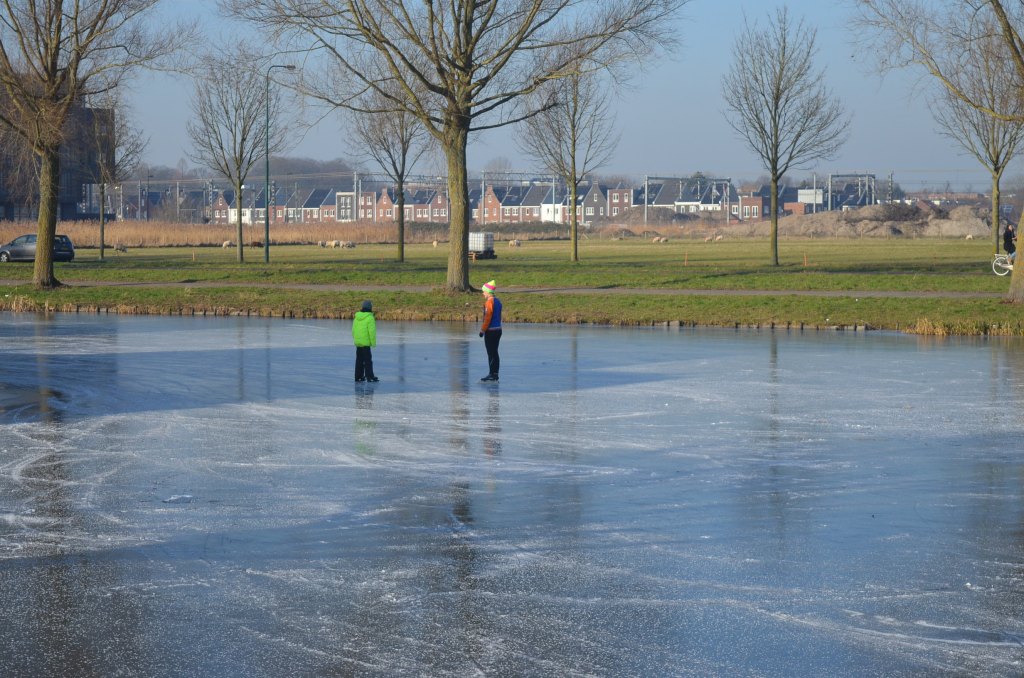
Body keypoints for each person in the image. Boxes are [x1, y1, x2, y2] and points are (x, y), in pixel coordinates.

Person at [478, 280, 502, 382]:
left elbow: (488, 318)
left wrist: (482, 330)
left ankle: (492, 374)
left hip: (491, 331)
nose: (483, 293)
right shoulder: (498, 301)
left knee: (491, 353)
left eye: (483, 291)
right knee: (495, 352)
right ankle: (495, 373)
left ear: (488, 292)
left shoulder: (489, 302)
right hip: (498, 330)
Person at [352, 300, 379, 382]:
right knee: (368, 361)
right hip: (366, 343)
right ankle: (369, 376)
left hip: (358, 343)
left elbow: (353, 330)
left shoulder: (357, 317)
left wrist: (356, 339)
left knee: (359, 360)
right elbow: (372, 332)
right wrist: (373, 343)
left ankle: (358, 376)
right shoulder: (370, 318)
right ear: (370, 308)